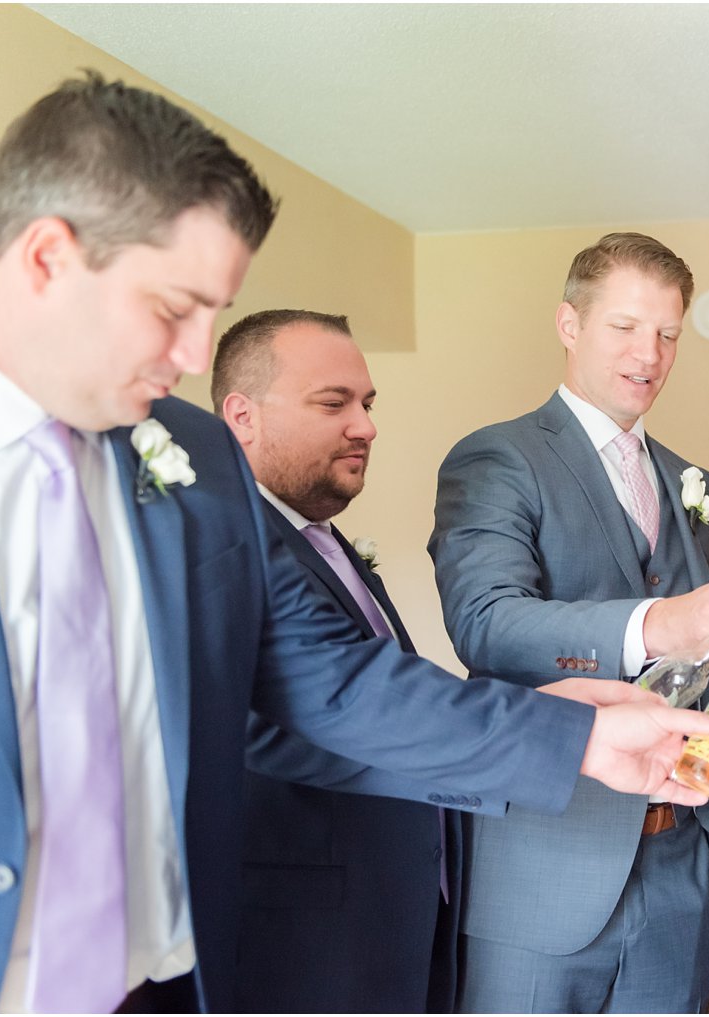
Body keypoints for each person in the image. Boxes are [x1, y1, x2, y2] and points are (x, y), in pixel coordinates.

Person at [0, 73, 709, 1015]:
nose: (196, 354)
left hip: (164, 982)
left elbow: (333, 683)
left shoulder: (192, 456)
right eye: (174, 306)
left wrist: (583, 734)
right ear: (46, 258)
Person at [430, 232, 709, 1012]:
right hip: (544, 866)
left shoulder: (698, 484)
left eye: (667, 333)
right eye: (625, 326)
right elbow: (487, 625)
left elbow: (705, 655)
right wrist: (662, 622)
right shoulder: (498, 458)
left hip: (683, 868)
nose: (649, 353)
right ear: (569, 324)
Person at [212, 308, 465, 1011]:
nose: (367, 425)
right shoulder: (230, 547)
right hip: (301, 948)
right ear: (242, 415)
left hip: (398, 919)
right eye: (334, 403)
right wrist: (568, 727)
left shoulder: (326, 541)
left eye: (368, 403)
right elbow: (331, 717)